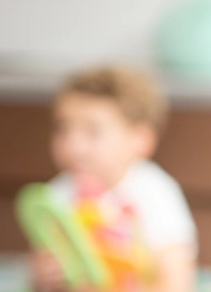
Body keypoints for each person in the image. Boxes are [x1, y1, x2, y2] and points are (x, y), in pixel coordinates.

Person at [30, 65, 196, 292]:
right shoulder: (57, 195)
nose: (74, 146)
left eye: (93, 131)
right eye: (63, 128)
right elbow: (40, 273)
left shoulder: (156, 194)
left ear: (141, 139)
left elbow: (177, 283)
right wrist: (44, 277)